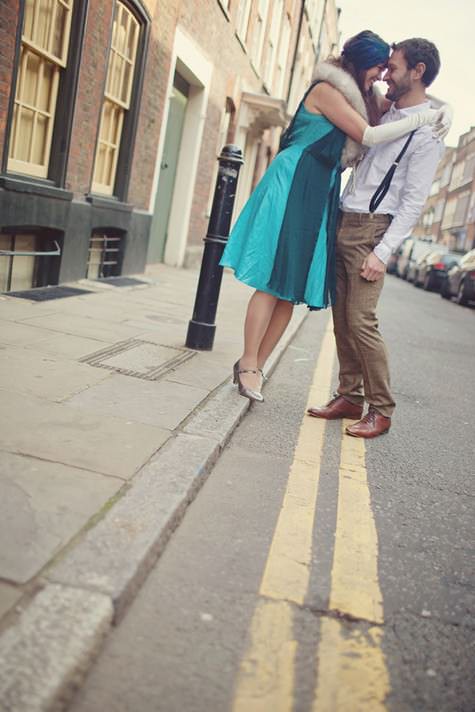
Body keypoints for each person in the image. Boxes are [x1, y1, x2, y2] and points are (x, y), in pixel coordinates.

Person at [220, 31, 445, 403]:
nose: (383, 76)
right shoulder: (327, 89)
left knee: (290, 288)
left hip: (320, 188)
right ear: (360, 64)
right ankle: (247, 363)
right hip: (296, 181)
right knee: (272, 279)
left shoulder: (359, 95)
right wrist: (426, 117)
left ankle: (257, 365)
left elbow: (409, 99)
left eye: (389, 69)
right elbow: (371, 135)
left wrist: (444, 112)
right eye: (379, 68)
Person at [307, 38, 446, 437]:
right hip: (345, 217)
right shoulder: (387, 112)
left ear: (417, 72)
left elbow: (413, 202)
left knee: (361, 321)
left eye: (395, 67)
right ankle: (349, 395)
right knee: (342, 318)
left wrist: (382, 252)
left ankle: (381, 408)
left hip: (373, 228)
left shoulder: (428, 131)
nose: (386, 73)